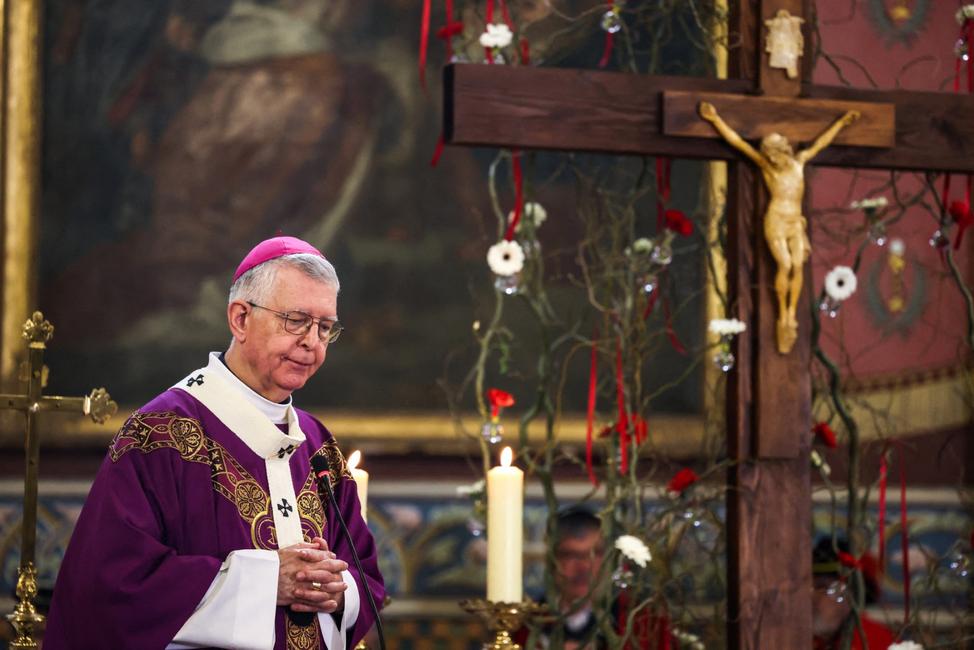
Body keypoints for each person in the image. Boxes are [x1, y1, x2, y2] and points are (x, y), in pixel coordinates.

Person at [44, 236, 385, 649]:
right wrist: (266, 581)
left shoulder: (317, 444)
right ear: (240, 319)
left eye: (325, 327)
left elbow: (364, 574)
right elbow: (110, 586)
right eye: (296, 320)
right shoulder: (162, 433)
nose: (312, 342)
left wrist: (336, 589)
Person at [698, 101, 860, 354]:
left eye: (777, 152)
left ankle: (790, 314)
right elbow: (738, 143)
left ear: (784, 150)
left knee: (798, 265)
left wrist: (841, 123)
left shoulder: (800, 162)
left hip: (795, 222)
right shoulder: (767, 168)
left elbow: (821, 143)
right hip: (776, 220)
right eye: (771, 153)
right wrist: (715, 119)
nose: (774, 157)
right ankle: (782, 313)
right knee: (784, 265)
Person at [812, 537, 895, 650]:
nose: (812, 598)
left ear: (851, 596)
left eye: (822, 588)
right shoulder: (791, 637)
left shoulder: (878, 641)